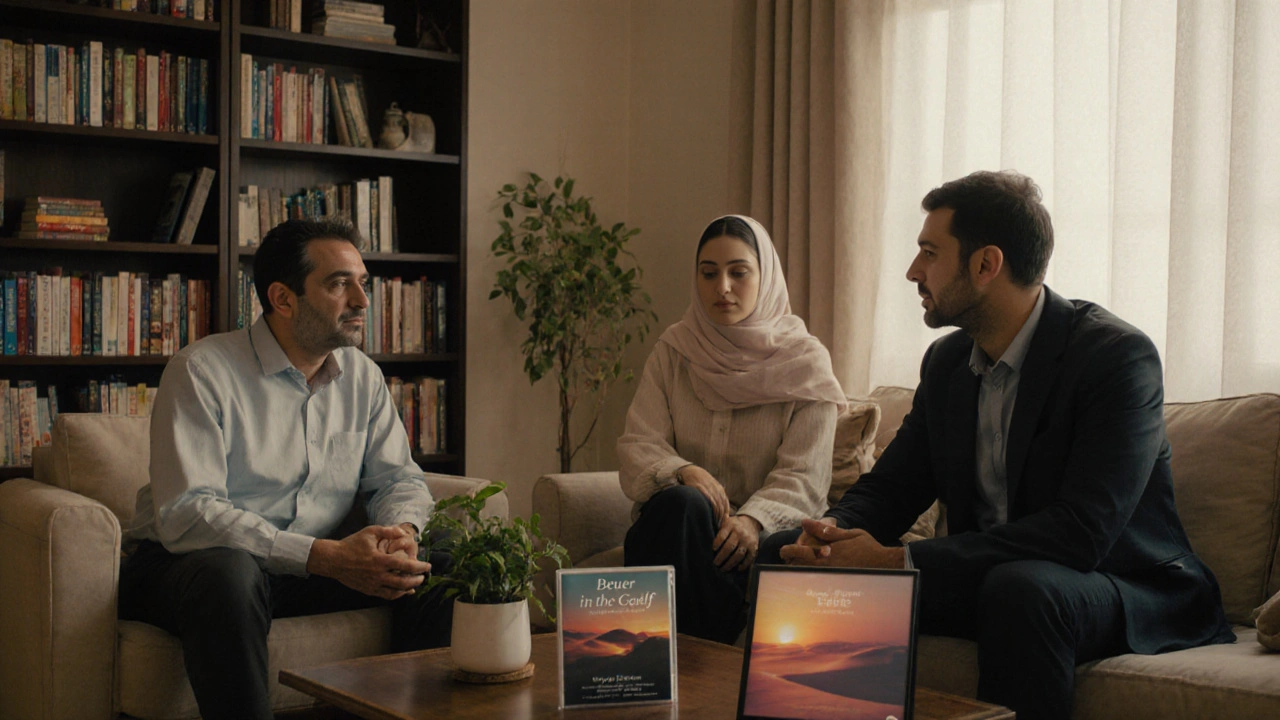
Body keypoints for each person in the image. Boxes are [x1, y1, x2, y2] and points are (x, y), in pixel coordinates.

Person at [762, 171, 1234, 719]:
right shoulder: (946, 365)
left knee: (1021, 589)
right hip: (987, 579)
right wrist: (828, 539)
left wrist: (896, 561)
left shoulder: (1116, 358)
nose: (912, 271)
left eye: (929, 252)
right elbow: (891, 489)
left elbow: (1080, 533)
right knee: (784, 555)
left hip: (1122, 584)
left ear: (987, 265)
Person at [118, 219, 452, 720]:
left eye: (363, 282)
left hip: (310, 563)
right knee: (230, 573)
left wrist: (402, 532)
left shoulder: (362, 376)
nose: (362, 300)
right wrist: (323, 556)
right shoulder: (201, 371)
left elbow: (398, 479)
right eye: (340, 284)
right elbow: (189, 514)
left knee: (441, 554)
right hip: (187, 566)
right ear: (283, 297)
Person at [618, 214, 846, 644]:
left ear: (766, 278)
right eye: (709, 273)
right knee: (684, 503)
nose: (721, 287)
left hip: (758, 540)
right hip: (678, 530)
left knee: (695, 517)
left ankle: (666, 660)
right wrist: (683, 470)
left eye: (738, 273)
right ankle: (700, 659)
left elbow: (805, 479)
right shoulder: (674, 351)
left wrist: (751, 521)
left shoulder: (805, 363)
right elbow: (637, 445)